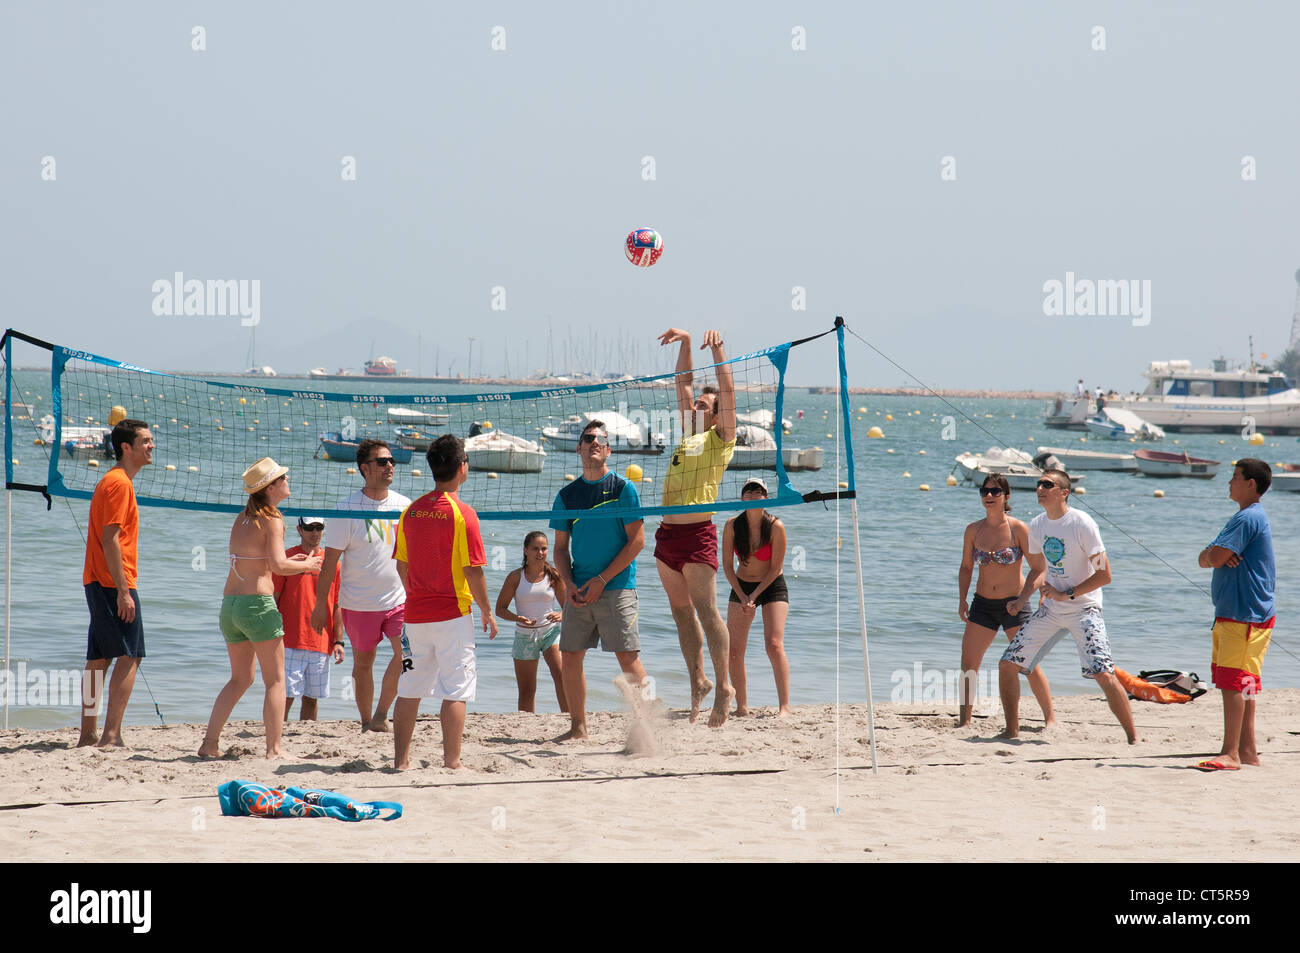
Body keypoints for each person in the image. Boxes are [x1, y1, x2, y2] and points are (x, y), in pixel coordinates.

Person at [999, 469, 1138, 744]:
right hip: (1051, 610)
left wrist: (1068, 593)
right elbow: (1039, 569)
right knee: (1007, 665)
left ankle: (1133, 738)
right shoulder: (1038, 524)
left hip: (1084, 609)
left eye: (1047, 484)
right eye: (1039, 483)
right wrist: (1023, 598)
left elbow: (1104, 575)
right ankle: (1011, 731)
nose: (1040, 487)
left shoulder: (1082, 524)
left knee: (1103, 673)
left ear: (1064, 492)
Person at [199, 458, 322, 759]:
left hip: (230, 606)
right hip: (257, 605)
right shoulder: (273, 519)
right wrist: (307, 564)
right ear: (271, 487)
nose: (287, 478)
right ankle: (274, 749)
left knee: (240, 679)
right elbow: (279, 565)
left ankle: (209, 743)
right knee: (276, 680)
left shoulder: (241, 517)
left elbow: (262, 562)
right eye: (283, 476)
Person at [392, 435, 496, 770]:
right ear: (462, 467)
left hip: (415, 614)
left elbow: (401, 565)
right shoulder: (463, 514)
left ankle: (401, 762)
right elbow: (473, 570)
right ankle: (452, 762)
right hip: (452, 615)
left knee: (409, 689)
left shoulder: (411, 511)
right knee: (456, 690)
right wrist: (487, 610)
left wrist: (418, 593)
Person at [656, 327, 737, 727]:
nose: (698, 407)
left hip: (697, 535)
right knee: (682, 615)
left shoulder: (722, 438)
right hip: (667, 537)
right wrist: (688, 344)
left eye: (706, 404)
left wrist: (719, 351)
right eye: (699, 405)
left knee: (707, 611)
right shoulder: (690, 434)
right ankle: (699, 682)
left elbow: (729, 393)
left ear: (718, 412)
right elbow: (682, 384)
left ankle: (724, 687)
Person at [549, 419, 648, 741]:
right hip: (579, 589)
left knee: (627, 656)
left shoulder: (623, 488)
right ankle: (578, 727)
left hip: (617, 587)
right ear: (578, 448)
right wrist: (568, 583)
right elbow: (561, 549)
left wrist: (603, 579)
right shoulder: (567, 495)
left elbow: (638, 542)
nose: (593, 442)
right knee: (572, 657)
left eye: (600, 440)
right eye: (587, 438)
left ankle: (649, 725)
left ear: (607, 450)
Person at [311, 439, 411, 732]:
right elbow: (329, 563)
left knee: (407, 655)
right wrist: (321, 606)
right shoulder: (346, 508)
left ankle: (382, 713)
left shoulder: (404, 505)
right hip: (359, 604)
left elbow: (413, 556)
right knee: (363, 665)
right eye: (382, 461)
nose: (390, 465)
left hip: (398, 600)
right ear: (365, 468)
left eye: (391, 460)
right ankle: (367, 721)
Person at [77, 418, 154, 748]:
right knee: (130, 656)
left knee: (98, 659)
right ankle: (110, 735)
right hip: (112, 582)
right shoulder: (119, 483)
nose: (152, 445)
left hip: (98, 578)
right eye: (146, 441)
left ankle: (87, 733)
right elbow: (110, 539)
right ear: (126, 446)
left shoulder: (114, 480)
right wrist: (124, 591)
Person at [1195, 458, 1275, 771]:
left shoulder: (1246, 517)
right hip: (1255, 613)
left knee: (1233, 682)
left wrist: (1211, 554)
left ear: (1251, 483)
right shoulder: (1253, 517)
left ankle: (1230, 753)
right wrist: (1214, 555)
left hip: (1242, 613)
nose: (1229, 482)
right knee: (1246, 683)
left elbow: (1212, 557)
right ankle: (1247, 749)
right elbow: (1215, 557)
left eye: (1235, 477)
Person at [957, 474, 1054, 728]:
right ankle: (965, 720)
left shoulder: (1018, 529)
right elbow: (966, 567)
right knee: (968, 664)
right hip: (982, 605)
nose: (988, 496)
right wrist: (962, 599)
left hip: (1015, 604)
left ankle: (1050, 718)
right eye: (984, 491)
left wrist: (1023, 600)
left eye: (995, 492)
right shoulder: (973, 530)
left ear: (1006, 496)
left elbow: (1038, 568)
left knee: (1028, 664)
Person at [722, 478, 792, 717]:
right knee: (733, 650)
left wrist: (753, 596)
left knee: (773, 645)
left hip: (771, 586)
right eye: (748, 491)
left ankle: (784, 707)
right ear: (742, 498)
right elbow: (727, 567)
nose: (753, 494)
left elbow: (775, 569)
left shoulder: (775, 526)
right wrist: (743, 596)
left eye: (758, 491)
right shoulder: (732, 525)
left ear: (766, 497)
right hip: (741, 585)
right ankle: (741, 707)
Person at [274, 515, 345, 721]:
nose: (315, 532)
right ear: (299, 530)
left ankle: (305, 735)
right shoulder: (287, 559)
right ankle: (276, 733)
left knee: (312, 698)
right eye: (309, 528)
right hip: (289, 639)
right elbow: (274, 599)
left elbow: (337, 604)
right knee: (285, 695)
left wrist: (338, 641)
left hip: (321, 642)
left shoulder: (333, 563)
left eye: (319, 527)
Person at [495, 531, 568, 713]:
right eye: (535, 548)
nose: (540, 552)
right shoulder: (515, 577)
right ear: (525, 550)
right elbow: (500, 609)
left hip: (551, 632)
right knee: (527, 690)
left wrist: (561, 614)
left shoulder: (554, 576)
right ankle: (525, 724)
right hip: (525, 636)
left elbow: (569, 606)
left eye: (544, 548)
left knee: (561, 676)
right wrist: (517, 618)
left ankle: (569, 718)